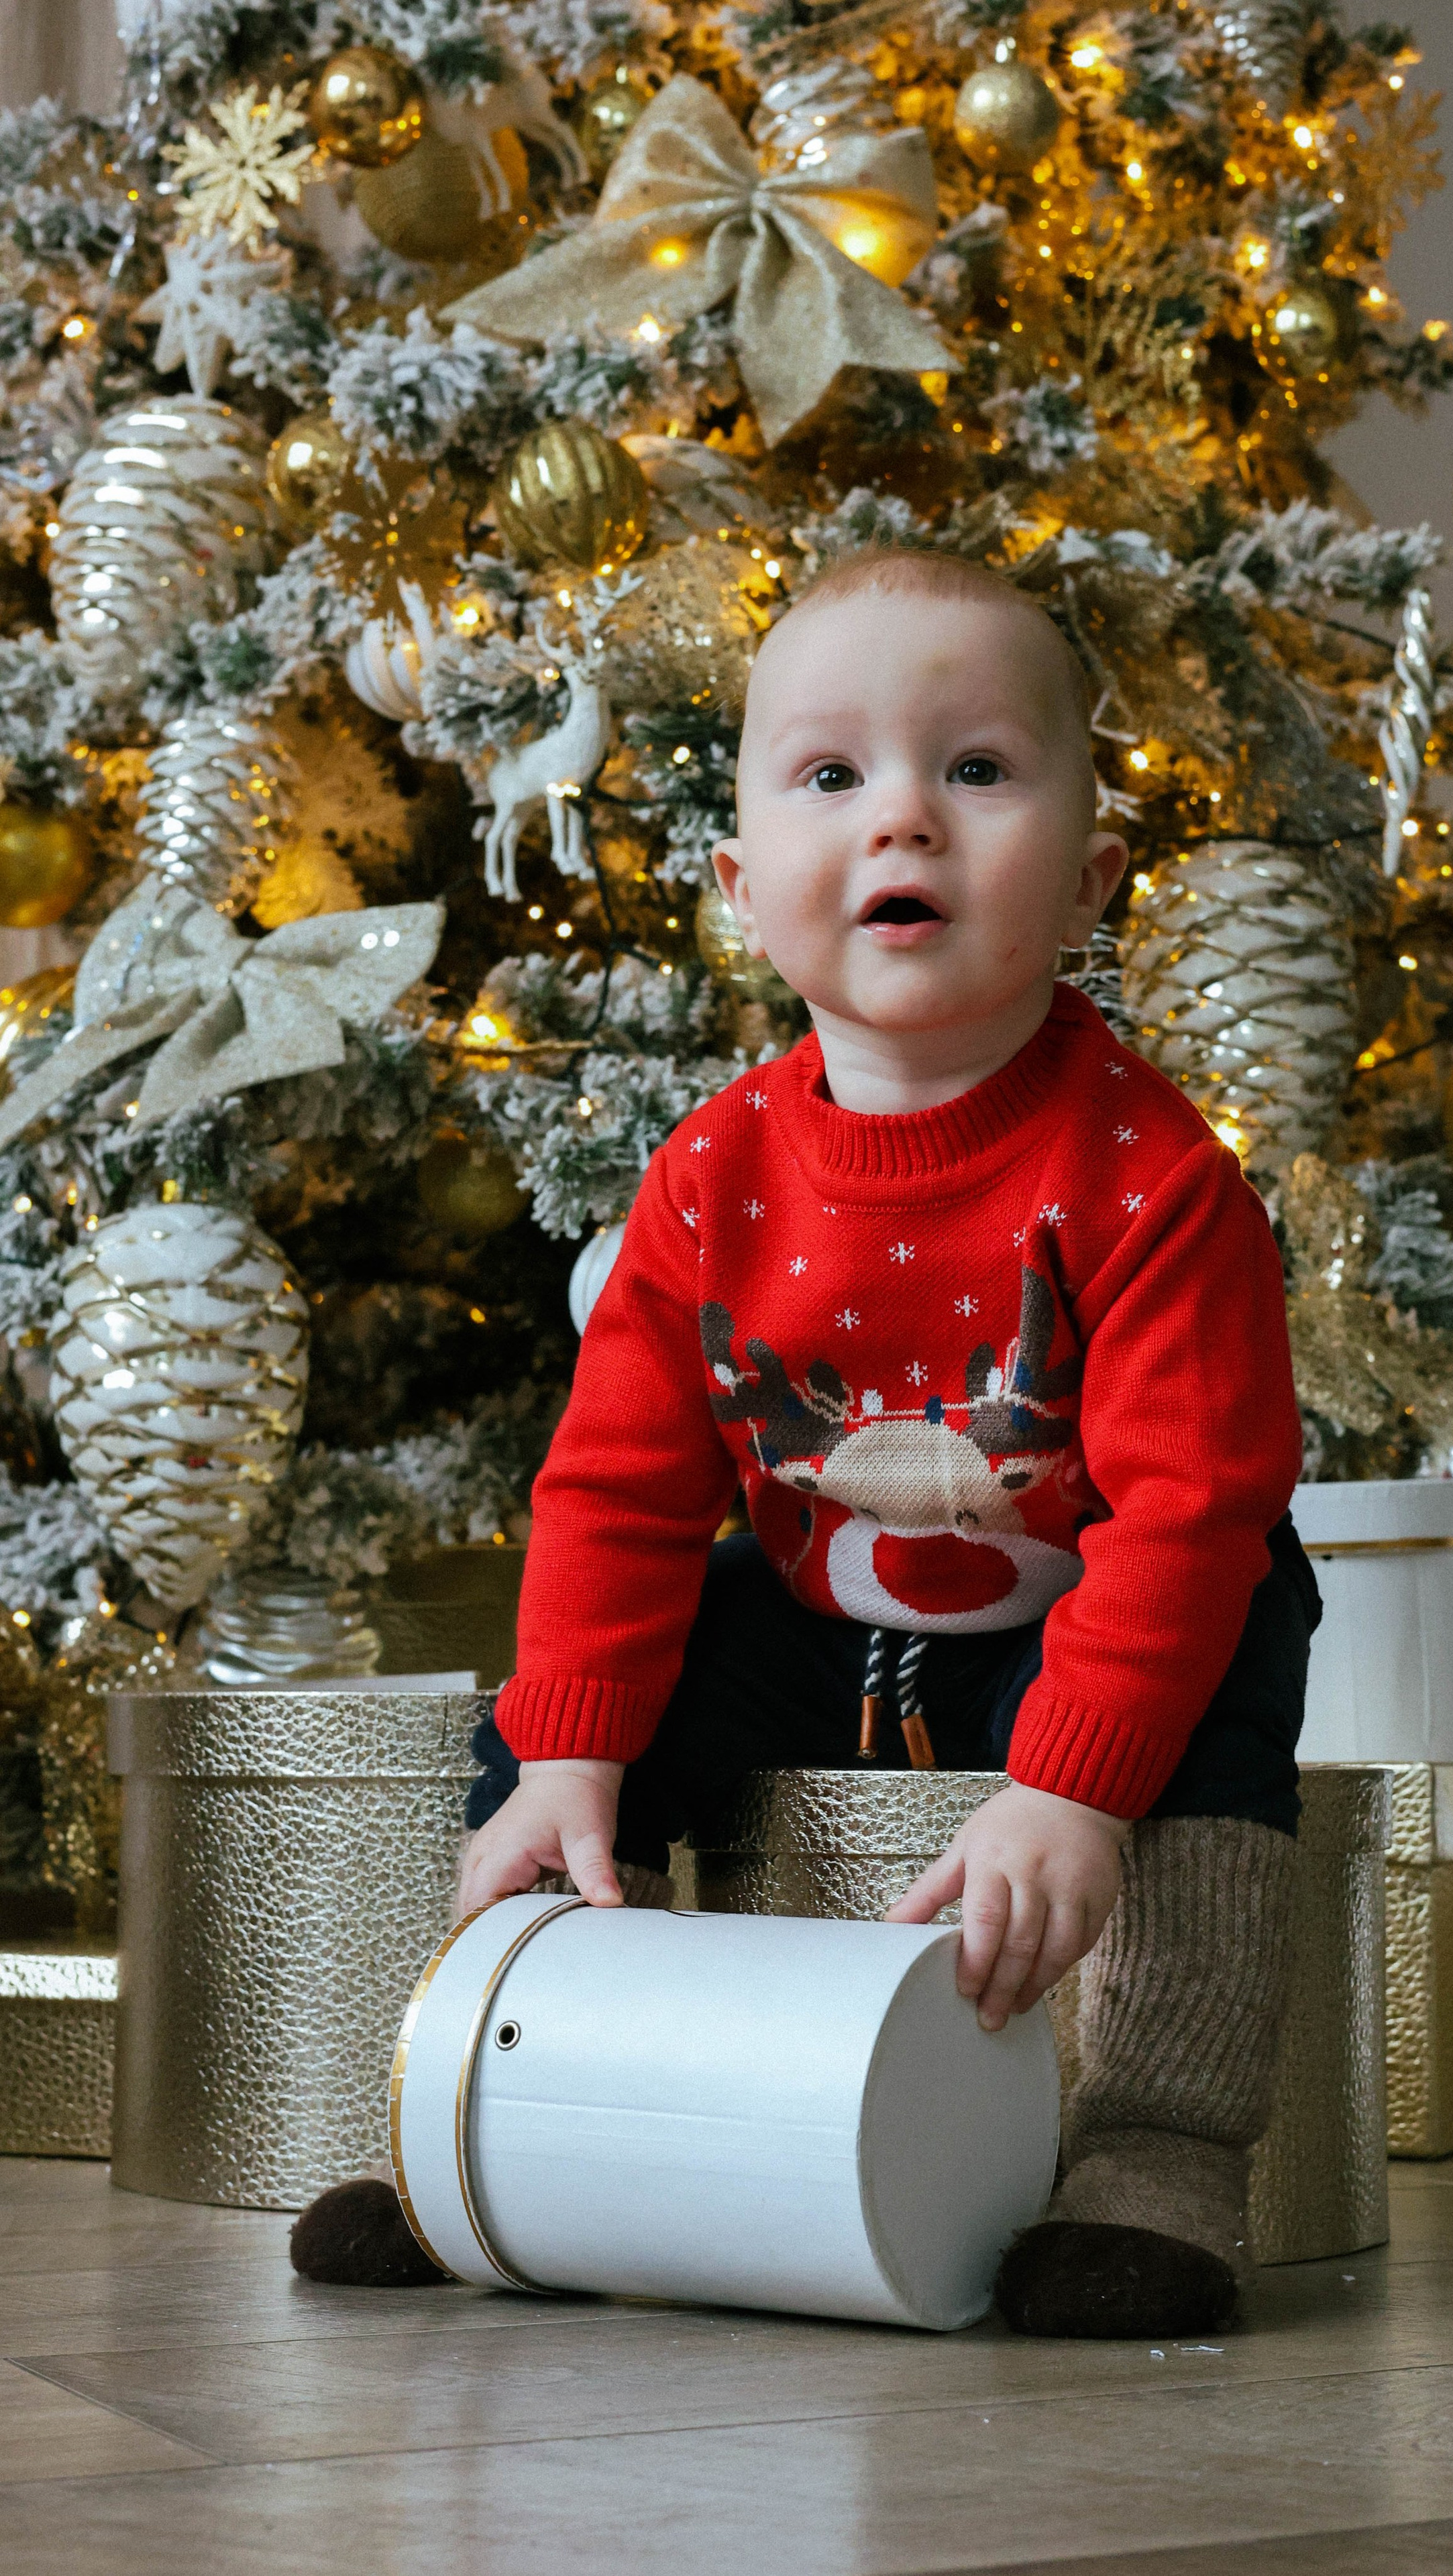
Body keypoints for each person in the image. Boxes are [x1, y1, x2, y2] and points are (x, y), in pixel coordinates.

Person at [294, 547, 1318, 2335]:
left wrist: (1073, 1782)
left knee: (1241, 1627)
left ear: (1091, 880)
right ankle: (482, 2100)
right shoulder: (710, 1178)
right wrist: (565, 1754)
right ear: (742, 883)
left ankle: (1159, 2151)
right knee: (574, 1712)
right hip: (825, 1615)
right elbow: (614, 1486)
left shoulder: (1157, 1182)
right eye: (832, 776)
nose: (904, 818)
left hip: (1093, 1617)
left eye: (977, 770)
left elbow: (1191, 1506)